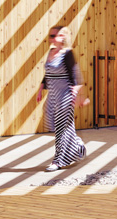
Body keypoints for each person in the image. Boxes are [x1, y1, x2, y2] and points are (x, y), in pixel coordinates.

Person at [36, 25, 88, 172]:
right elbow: (48, 73)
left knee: (61, 129)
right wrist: (41, 89)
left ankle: (58, 160)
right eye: (50, 36)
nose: (51, 39)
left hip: (65, 95)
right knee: (57, 125)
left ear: (62, 37)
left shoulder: (68, 54)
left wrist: (76, 93)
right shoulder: (51, 52)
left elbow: (75, 75)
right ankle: (78, 147)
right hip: (53, 95)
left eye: (54, 36)